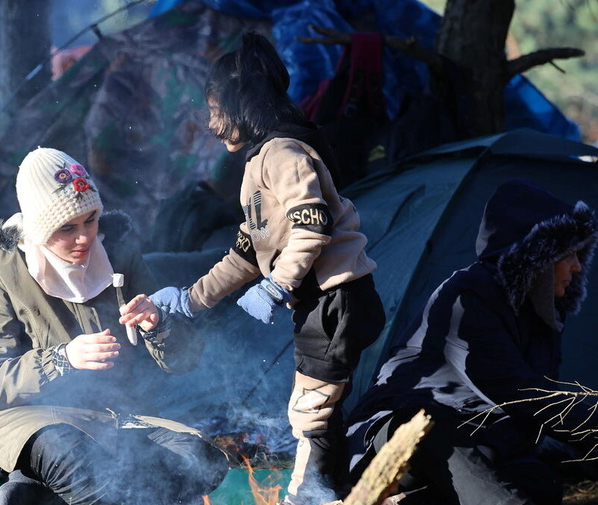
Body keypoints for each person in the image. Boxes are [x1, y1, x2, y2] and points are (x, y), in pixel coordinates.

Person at [150, 32, 385, 505]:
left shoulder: (284, 154)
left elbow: (312, 226)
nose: (213, 125)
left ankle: (309, 497)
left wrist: (278, 284)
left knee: (310, 412)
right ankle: (336, 491)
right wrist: (188, 300)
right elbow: (244, 253)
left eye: (217, 111)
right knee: (324, 409)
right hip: (321, 302)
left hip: (335, 298)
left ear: (243, 105)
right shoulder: (262, 161)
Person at [0, 147, 229, 505]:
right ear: (39, 227)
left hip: (111, 415)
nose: (84, 237)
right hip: (27, 418)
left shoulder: (116, 252)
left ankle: (36, 493)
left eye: (91, 219)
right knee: (74, 459)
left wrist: (158, 325)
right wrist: (62, 359)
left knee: (202, 460)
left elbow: (184, 361)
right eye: (67, 228)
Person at [345, 179, 598, 505]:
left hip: (479, 434)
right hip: (410, 434)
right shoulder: (468, 296)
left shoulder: (542, 317)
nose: (577, 267)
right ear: (538, 259)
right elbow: (523, 395)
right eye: (569, 256)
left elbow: (540, 403)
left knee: (541, 483)